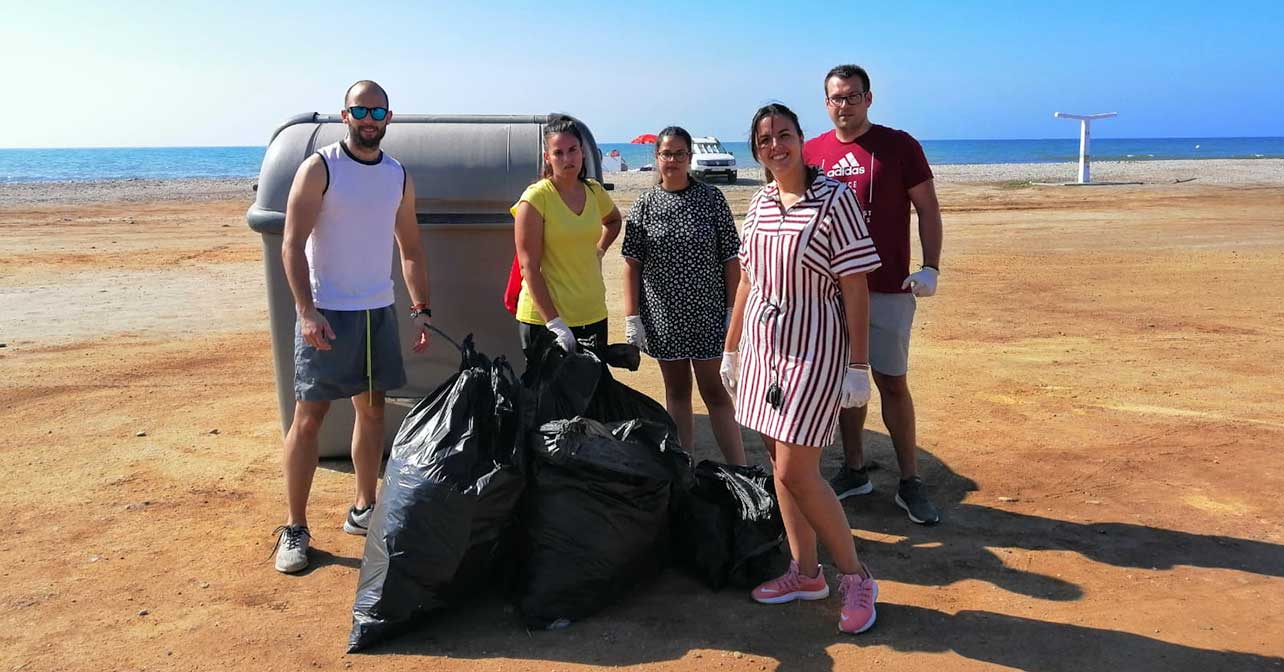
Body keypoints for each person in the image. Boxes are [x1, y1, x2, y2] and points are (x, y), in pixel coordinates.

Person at [722, 104, 882, 634]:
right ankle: (806, 573)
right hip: (765, 349)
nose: (775, 146)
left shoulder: (834, 198)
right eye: (764, 139)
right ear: (756, 148)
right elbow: (747, 281)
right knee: (778, 466)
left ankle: (856, 577)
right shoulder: (761, 201)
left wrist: (858, 365)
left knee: (797, 471)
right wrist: (733, 347)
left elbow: (855, 284)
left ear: (801, 139)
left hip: (815, 349)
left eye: (784, 135)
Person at [273, 80, 433, 574]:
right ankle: (295, 529)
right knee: (309, 420)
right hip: (328, 313)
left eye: (377, 110)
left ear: (389, 117)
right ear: (345, 116)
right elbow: (291, 243)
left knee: (374, 413)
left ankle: (364, 509)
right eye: (360, 109)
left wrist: (420, 307)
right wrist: (306, 311)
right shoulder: (320, 167)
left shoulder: (397, 175)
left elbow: (409, 249)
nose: (369, 117)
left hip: (376, 311)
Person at [803, 64, 944, 525]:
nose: (843, 106)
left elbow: (927, 209)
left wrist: (930, 267)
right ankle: (855, 468)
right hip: (829, 293)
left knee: (891, 382)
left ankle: (909, 481)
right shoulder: (812, 153)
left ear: (869, 98)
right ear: (826, 104)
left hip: (887, 289)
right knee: (846, 384)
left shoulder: (898, 146)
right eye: (835, 99)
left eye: (851, 97)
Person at [621, 126, 746, 465]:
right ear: (657, 158)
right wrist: (632, 318)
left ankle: (741, 469)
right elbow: (631, 264)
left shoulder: (711, 199)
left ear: (690, 158)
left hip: (709, 315)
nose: (673, 160)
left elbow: (731, 259)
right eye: (666, 154)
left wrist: (732, 310)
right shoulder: (644, 205)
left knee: (717, 393)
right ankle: (684, 467)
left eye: (680, 153)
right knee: (676, 393)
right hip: (664, 320)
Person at [512, 115, 622, 357]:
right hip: (546, 321)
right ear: (547, 158)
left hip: (592, 313)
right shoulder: (535, 198)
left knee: (592, 394)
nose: (567, 158)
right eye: (558, 152)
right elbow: (528, 266)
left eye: (572, 150)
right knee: (547, 395)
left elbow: (614, 220)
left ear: (582, 152)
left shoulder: (594, 191)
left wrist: (600, 251)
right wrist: (554, 323)